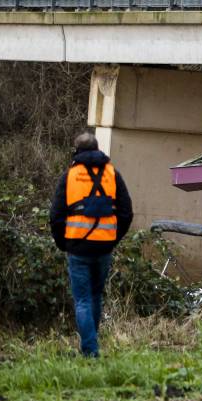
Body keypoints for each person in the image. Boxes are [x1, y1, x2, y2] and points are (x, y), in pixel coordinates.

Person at [50, 131, 134, 358]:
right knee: (96, 296)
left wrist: (63, 243)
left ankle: (90, 350)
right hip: (104, 247)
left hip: (78, 247)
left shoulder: (69, 176)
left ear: (76, 151)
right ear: (97, 149)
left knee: (83, 300)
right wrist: (113, 238)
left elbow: (56, 216)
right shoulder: (112, 174)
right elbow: (126, 213)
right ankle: (91, 345)